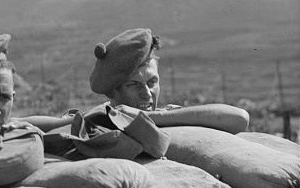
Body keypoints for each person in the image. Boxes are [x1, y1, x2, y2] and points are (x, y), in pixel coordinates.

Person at [89, 28, 249, 133]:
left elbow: (239, 119)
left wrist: (151, 118)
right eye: (133, 84)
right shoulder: (100, 122)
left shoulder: (167, 115)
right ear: (113, 92)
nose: (147, 94)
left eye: (152, 82)